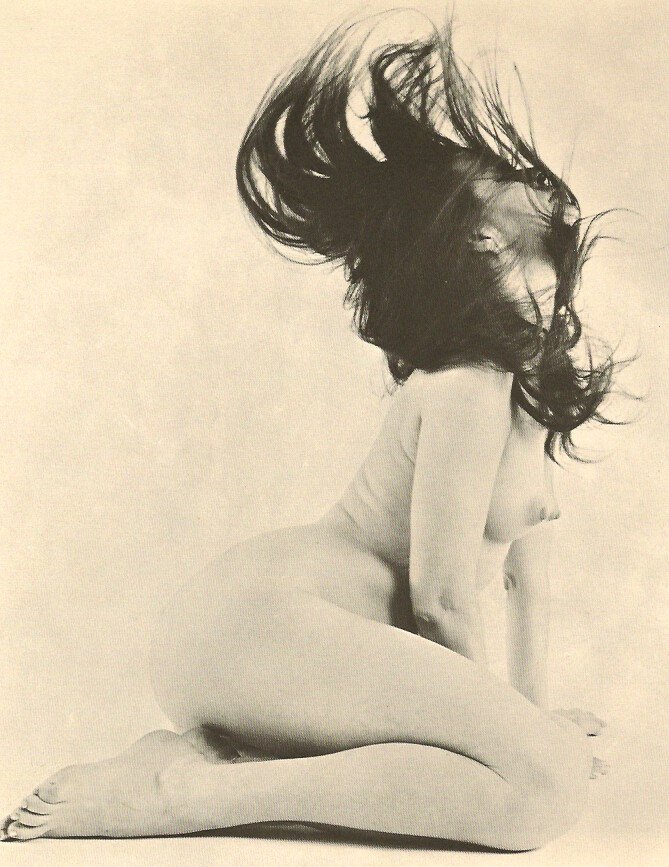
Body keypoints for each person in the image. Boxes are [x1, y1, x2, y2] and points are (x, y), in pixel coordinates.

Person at [2, 9, 636, 851]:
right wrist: (512, 741)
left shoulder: (522, 386)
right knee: (539, 796)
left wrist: (525, 717)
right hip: (259, 625)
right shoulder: (467, 385)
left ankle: (206, 755)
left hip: (277, 652)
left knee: (539, 771)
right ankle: (187, 793)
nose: (531, 177)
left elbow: (526, 578)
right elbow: (443, 598)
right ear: (483, 238)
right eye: (497, 176)